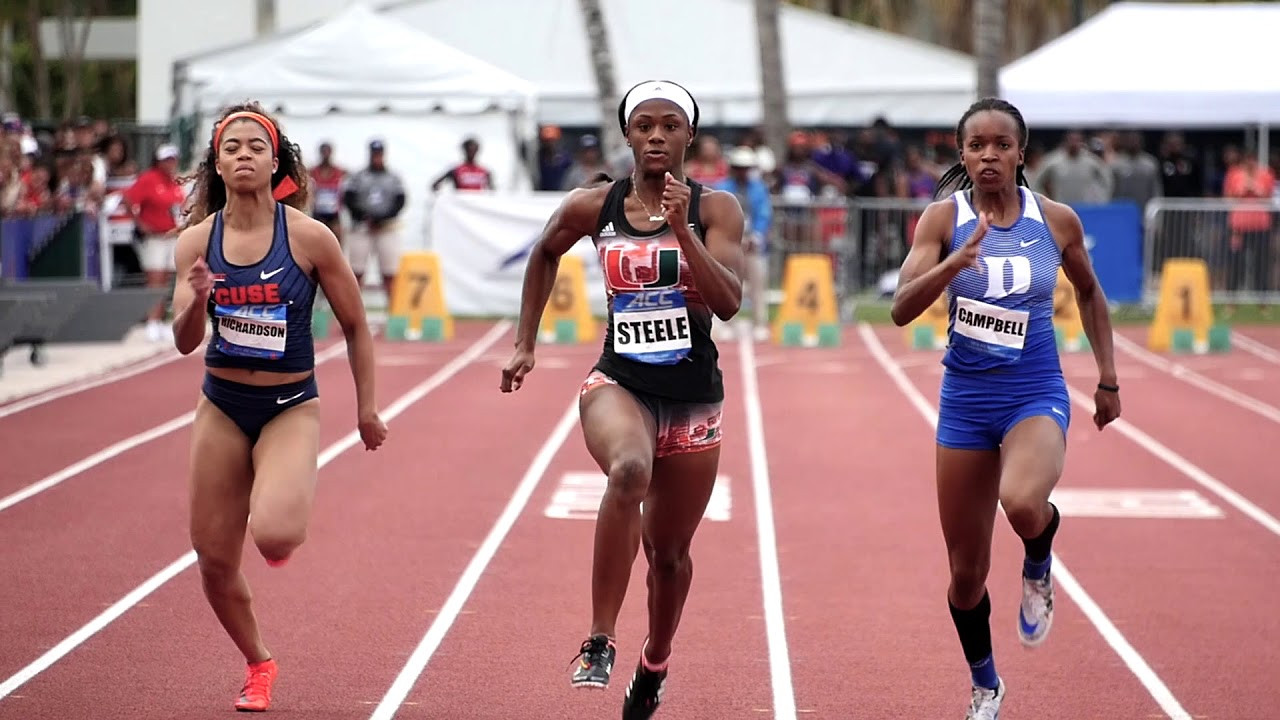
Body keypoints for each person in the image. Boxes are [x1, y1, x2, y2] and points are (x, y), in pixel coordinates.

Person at [500, 80, 744, 720]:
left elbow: (728, 301)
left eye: (669, 125)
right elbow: (545, 251)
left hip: (693, 399)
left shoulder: (717, 210)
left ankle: (654, 663)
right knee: (629, 470)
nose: (656, 136)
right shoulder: (593, 207)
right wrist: (525, 341)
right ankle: (600, 639)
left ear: (689, 135)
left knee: (669, 558)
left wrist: (681, 231)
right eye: (644, 126)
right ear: (627, 134)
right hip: (621, 381)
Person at [889, 97, 1122, 720]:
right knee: (965, 576)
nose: (988, 155)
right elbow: (901, 308)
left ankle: (1040, 560)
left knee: (1021, 502)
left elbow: (1091, 294)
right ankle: (986, 685)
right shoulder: (942, 219)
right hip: (965, 400)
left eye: (1001, 144)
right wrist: (952, 266)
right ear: (962, 155)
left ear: (1022, 153)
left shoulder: (1056, 220)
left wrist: (1107, 379)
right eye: (976, 146)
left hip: (1034, 391)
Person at [169, 102, 387, 713]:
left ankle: (275, 517)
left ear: (275, 161)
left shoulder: (310, 237)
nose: (242, 154)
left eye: (254, 146)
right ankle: (259, 663)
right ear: (217, 161)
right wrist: (193, 300)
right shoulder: (195, 243)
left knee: (276, 533)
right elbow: (185, 340)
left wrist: (367, 410)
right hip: (222, 403)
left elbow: (356, 325)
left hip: (290, 402)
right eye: (231, 146)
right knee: (213, 559)